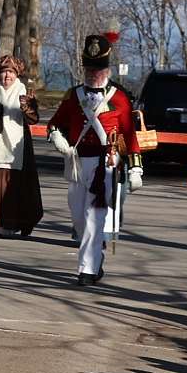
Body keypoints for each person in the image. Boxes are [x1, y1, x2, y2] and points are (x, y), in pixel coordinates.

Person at [48, 32, 136, 288]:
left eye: (97, 69)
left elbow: (129, 134)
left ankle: (86, 269)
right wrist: (57, 137)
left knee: (94, 218)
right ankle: (96, 261)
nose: (92, 73)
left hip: (105, 163)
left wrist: (135, 168)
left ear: (106, 69)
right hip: (77, 162)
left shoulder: (119, 97)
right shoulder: (73, 95)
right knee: (78, 217)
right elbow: (55, 123)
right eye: (89, 69)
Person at [0, 54, 42, 236]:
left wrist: (27, 107)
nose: (7, 76)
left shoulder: (23, 93)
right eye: (4, 72)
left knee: (10, 188)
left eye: (11, 72)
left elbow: (33, 119)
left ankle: (8, 225)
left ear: (17, 74)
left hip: (15, 149)